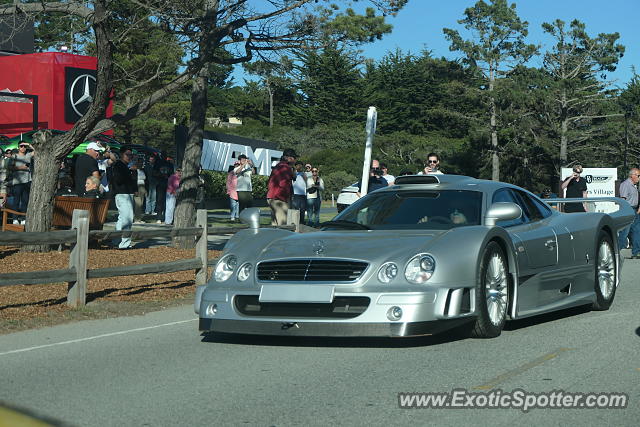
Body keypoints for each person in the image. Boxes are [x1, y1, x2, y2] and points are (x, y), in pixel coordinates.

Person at [111, 149, 137, 249]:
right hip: (122, 194)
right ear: (122, 155)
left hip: (126, 194)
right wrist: (130, 171)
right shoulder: (119, 165)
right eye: (127, 154)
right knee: (127, 219)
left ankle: (116, 241)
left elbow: (131, 181)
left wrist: (132, 172)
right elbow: (119, 179)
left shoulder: (125, 166)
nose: (129, 156)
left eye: (131, 155)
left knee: (122, 219)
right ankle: (124, 244)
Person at [267, 148, 297, 226]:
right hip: (279, 199)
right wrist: (286, 198)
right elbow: (284, 184)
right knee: (283, 226)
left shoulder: (278, 165)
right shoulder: (285, 167)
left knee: (275, 225)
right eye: (294, 158)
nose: (295, 160)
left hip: (272, 198)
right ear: (289, 158)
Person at [618, 168, 640, 258]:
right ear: (632, 175)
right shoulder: (625, 185)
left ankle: (636, 252)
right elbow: (623, 200)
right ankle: (620, 252)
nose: (639, 178)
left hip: (635, 210)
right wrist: (626, 212)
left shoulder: (634, 185)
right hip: (628, 210)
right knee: (624, 232)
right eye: (638, 176)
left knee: (637, 231)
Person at [11, 142, 35, 222]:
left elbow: (37, 151)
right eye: (21, 146)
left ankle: (23, 219)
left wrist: (28, 144)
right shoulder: (14, 156)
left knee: (25, 201)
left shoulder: (28, 155)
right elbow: (10, 168)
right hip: (17, 182)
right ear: (18, 147)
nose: (23, 147)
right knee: (16, 201)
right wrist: (22, 167)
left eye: (24, 146)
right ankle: (15, 219)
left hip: (27, 181)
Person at [133, 155, 147, 223]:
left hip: (142, 187)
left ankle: (139, 218)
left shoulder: (142, 170)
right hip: (137, 186)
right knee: (137, 203)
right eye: (140, 162)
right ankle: (136, 219)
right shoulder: (134, 170)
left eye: (142, 162)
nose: (141, 164)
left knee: (141, 203)